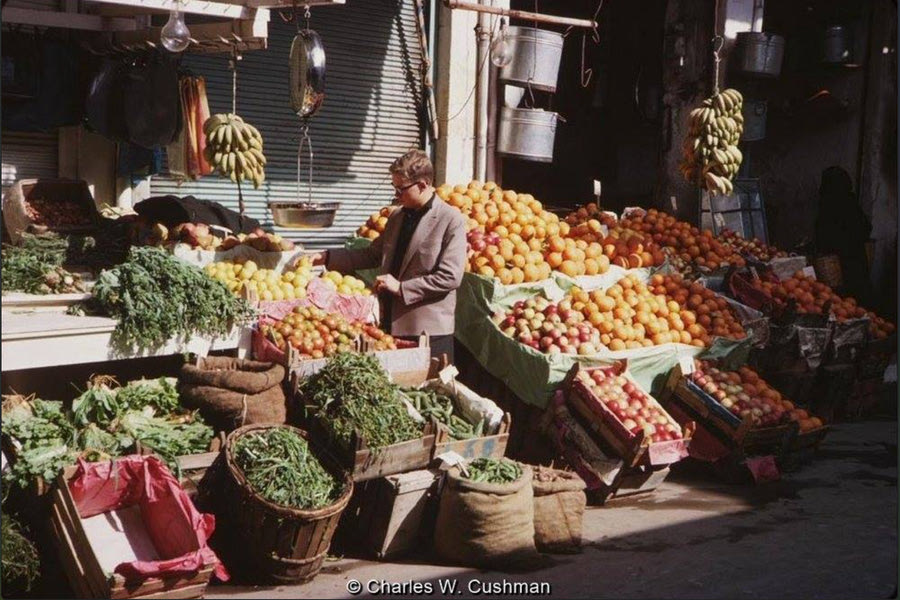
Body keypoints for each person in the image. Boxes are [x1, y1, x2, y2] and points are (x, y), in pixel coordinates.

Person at [312, 150, 467, 362]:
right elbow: (372, 254)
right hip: (389, 326)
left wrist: (402, 288)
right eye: (394, 188)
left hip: (427, 332)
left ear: (422, 185)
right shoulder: (396, 216)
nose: (396, 195)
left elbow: (450, 277)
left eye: (401, 189)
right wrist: (328, 257)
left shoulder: (451, 220)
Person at [813, 166, 872, 305]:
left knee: (841, 301)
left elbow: (822, 234)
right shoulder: (851, 202)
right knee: (858, 299)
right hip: (856, 258)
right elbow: (867, 227)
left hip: (837, 262)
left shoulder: (827, 204)